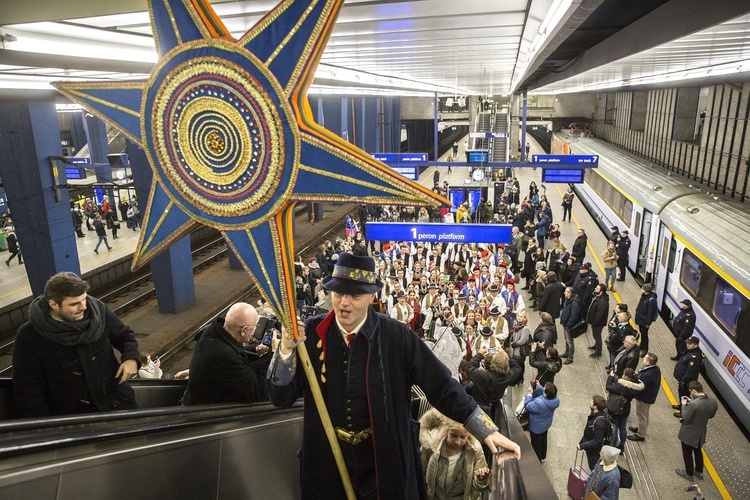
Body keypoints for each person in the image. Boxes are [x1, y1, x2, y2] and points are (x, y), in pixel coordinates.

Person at [266, 254, 520, 499]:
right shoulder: (311, 334)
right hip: (326, 462)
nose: (344, 302)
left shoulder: (396, 337)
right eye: (338, 293)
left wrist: (486, 430)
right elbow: (281, 398)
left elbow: (441, 385)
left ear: (371, 295)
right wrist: (286, 350)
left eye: (354, 295)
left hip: (384, 463)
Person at [12, 272, 140, 417]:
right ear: (53, 304)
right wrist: (44, 425)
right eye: (74, 304)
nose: (84, 307)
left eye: (84, 299)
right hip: (72, 418)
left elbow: (125, 336)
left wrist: (131, 358)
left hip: (118, 403)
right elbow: (27, 387)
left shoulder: (98, 311)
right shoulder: (30, 335)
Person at [184, 302, 271, 405]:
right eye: (255, 326)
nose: (255, 330)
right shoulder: (223, 354)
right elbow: (258, 393)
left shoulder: (213, 333)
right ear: (244, 330)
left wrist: (255, 349)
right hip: (209, 413)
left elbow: (234, 353)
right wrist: (272, 356)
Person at [419, 409, 490, 500]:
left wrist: (481, 479)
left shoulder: (475, 450)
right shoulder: (430, 446)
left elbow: (477, 487)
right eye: (453, 435)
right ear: (446, 432)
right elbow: (420, 474)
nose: (458, 442)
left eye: (463, 437)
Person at [675, 381, 718, 482]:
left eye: (691, 391)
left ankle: (688, 473)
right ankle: (699, 471)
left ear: (694, 391)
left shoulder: (694, 404)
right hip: (701, 433)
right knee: (698, 451)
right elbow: (710, 415)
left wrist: (684, 405)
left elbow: (686, 417)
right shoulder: (713, 402)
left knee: (687, 452)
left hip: (689, 434)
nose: (691, 393)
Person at [466, 347, 522, 416]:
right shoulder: (508, 377)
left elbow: (469, 368)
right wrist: (505, 354)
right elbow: (517, 367)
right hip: (495, 408)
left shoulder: (483, 376)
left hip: (480, 407)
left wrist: (479, 354)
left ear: (492, 364)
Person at [605, 367, 644, 452]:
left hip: (615, 409)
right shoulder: (636, 387)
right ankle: (622, 445)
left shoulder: (622, 386)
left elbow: (608, 387)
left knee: (614, 428)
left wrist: (611, 377)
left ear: (626, 377)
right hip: (625, 409)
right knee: (622, 427)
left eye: (623, 374)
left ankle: (613, 446)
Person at [628, 352, 661, 441]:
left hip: (644, 398)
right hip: (649, 397)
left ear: (648, 363)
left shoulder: (648, 375)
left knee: (641, 416)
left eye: (645, 358)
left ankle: (641, 435)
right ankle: (641, 428)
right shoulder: (655, 368)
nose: (643, 359)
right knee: (645, 414)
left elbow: (640, 386)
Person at [524, 381, 559, 462]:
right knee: (543, 440)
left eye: (544, 388)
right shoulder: (556, 399)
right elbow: (547, 394)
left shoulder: (539, 403)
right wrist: (540, 387)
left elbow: (527, 406)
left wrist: (529, 394)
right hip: (546, 424)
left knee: (536, 444)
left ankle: (537, 460)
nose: (543, 388)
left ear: (545, 394)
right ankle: (543, 456)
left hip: (536, 427)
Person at [673, 336, 704, 417]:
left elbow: (691, 371)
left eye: (689, 344)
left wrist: (683, 380)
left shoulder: (695, 357)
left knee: (685, 395)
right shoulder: (690, 352)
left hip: (687, 381)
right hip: (683, 380)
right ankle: (681, 405)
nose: (687, 345)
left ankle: (684, 412)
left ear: (695, 345)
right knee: (681, 393)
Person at [577, 395, 610, 470]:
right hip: (591, 447)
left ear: (595, 407)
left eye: (592, 402)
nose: (590, 402)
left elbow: (597, 441)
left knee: (594, 468)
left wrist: (583, 445)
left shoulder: (599, 423)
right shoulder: (597, 414)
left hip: (594, 452)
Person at [586, 284, 610, 358]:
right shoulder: (598, 297)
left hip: (598, 323)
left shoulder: (603, 301)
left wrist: (594, 323)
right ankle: (596, 346)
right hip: (595, 321)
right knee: (595, 335)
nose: (595, 288)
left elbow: (600, 314)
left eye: (597, 288)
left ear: (601, 292)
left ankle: (598, 351)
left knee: (597, 336)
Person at [560, 286, 581, 365]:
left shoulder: (574, 303)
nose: (564, 292)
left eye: (566, 291)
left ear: (569, 293)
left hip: (568, 325)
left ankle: (570, 357)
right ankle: (566, 352)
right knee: (566, 339)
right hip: (565, 323)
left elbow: (574, 315)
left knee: (570, 341)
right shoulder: (568, 300)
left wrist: (569, 325)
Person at [634, 283, 657, 355]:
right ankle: (642, 345)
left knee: (644, 334)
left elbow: (651, 312)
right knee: (642, 333)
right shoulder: (644, 296)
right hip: (641, 319)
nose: (641, 289)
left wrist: (648, 323)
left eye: (642, 288)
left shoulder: (651, 300)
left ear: (646, 290)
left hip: (644, 321)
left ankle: (645, 349)